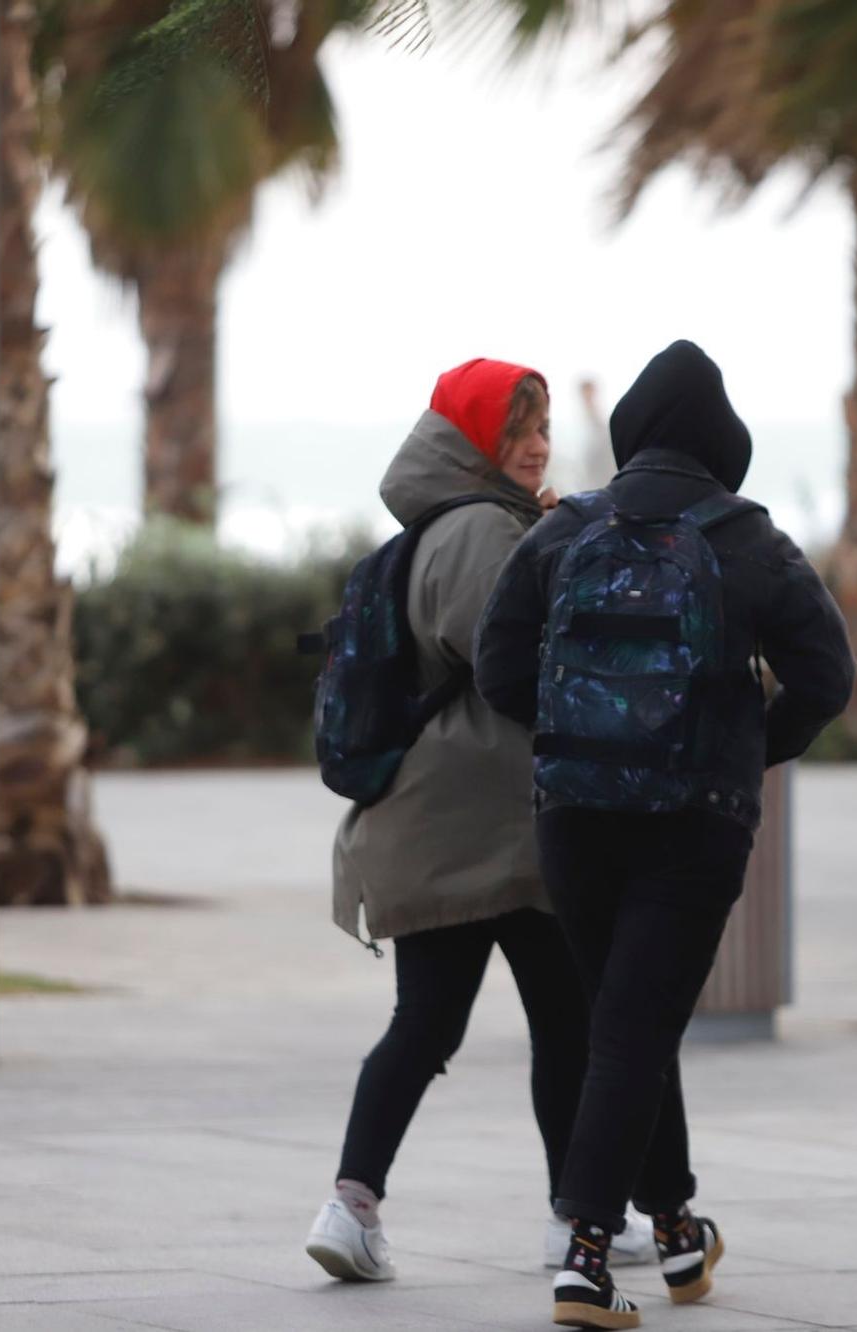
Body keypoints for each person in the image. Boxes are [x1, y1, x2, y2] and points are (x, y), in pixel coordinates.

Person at [475, 341, 855, 1329]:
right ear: (721, 441)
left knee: (624, 1020)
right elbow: (826, 676)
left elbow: (495, 667)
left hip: (575, 816)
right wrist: (746, 752)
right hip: (693, 825)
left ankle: (677, 1226)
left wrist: (575, 736)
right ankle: (587, 1256)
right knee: (633, 1028)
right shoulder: (745, 539)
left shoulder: (562, 535)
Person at [306, 358, 657, 1284]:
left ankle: (355, 1207)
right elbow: (514, 659)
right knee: (548, 1024)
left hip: (459, 828)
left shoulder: (483, 523)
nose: (536, 444)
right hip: (490, 826)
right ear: (472, 445)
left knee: (447, 1023)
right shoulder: (474, 533)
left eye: (538, 426)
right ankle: (569, 1218)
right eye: (515, 431)